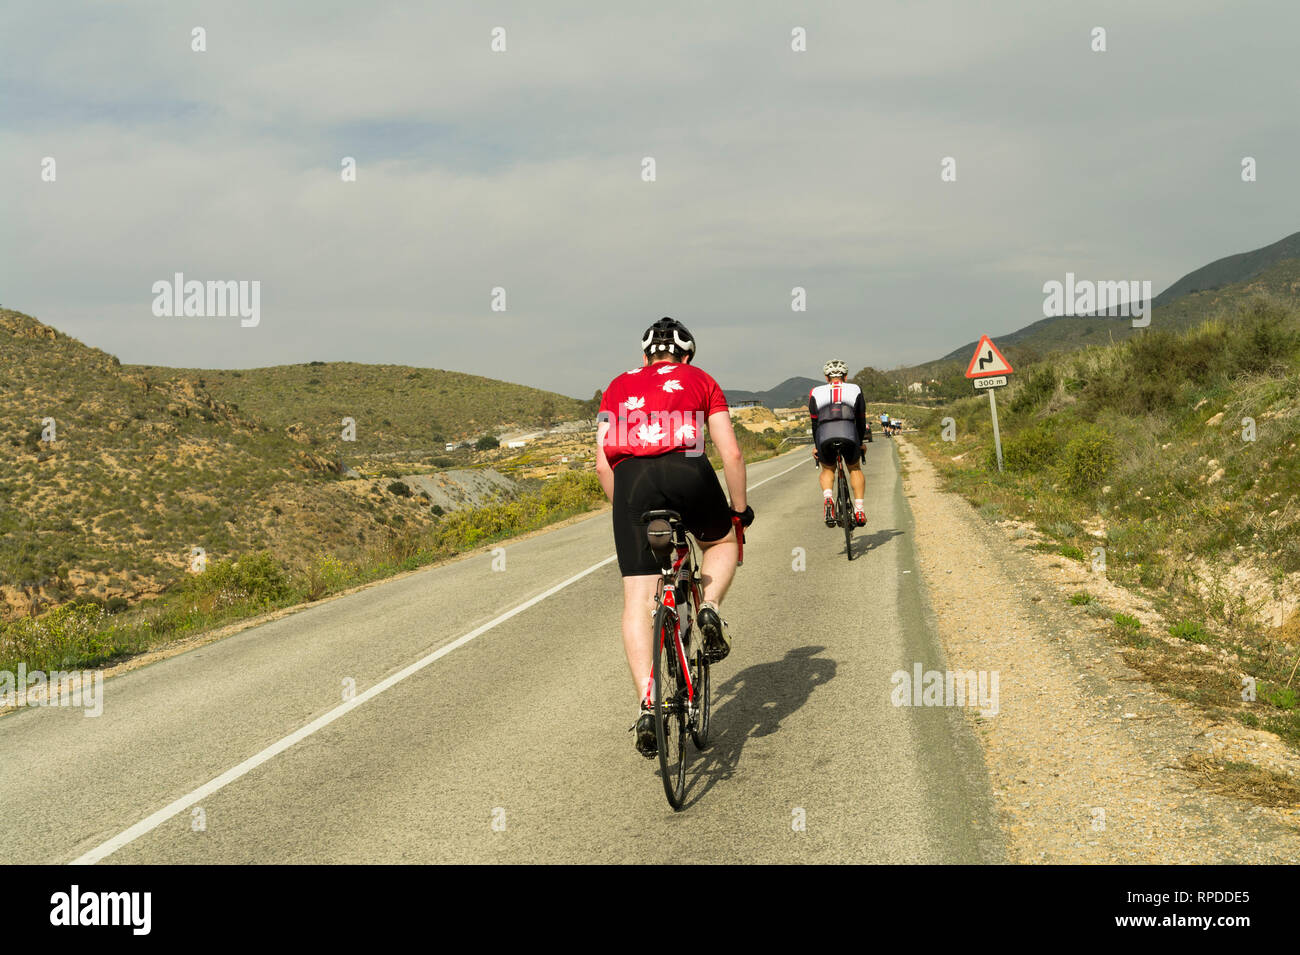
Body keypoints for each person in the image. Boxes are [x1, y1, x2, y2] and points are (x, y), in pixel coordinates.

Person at [595, 317, 753, 758]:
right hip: (688, 470)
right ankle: (711, 610)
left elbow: (601, 464)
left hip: (631, 481)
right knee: (721, 543)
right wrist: (738, 512)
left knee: (637, 598)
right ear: (687, 356)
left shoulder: (617, 385)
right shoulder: (701, 379)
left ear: (645, 357)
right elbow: (732, 452)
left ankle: (648, 703)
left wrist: (628, 514)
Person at [809, 360, 867, 527]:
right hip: (849, 433)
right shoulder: (855, 389)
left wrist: (816, 446)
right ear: (846, 376)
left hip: (824, 436)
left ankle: (828, 499)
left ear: (827, 378)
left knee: (827, 469)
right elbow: (861, 419)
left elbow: (814, 423)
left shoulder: (815, 392)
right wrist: (861, 443)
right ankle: (859, 510)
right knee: (854, 468)